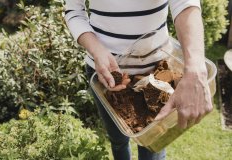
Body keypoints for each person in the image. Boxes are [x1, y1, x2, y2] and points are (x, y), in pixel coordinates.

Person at [64, 0, 213, 159]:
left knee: (153, 145)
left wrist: (195, 69)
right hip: (106, 75)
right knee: (118, 140)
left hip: (157, 73)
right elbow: (74, 11)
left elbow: (185, 3)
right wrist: (96, 50)